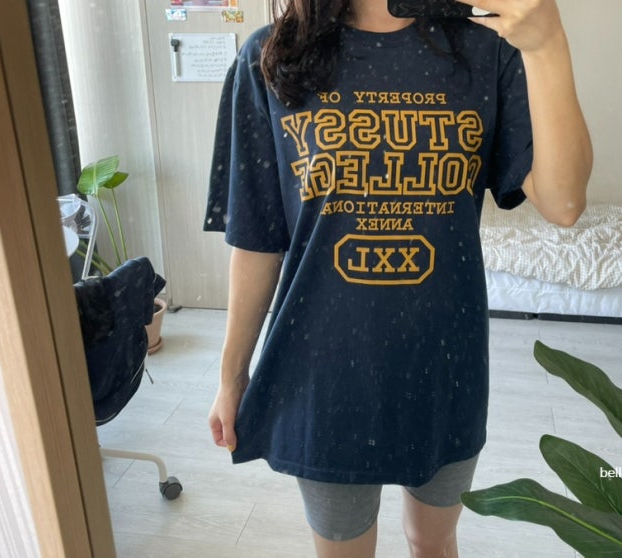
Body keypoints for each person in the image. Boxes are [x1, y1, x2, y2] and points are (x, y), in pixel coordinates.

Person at [206, 0, 592, 556]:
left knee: (431, 542)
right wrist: (230, 377)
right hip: (322, 374)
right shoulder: (272, 56)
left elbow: (565, 203)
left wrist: (548, 44)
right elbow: (256, 241)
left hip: (445, 367)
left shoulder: (488, 50)